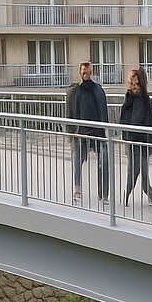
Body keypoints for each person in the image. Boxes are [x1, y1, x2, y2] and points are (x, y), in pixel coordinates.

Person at [65, 61, 111, 205]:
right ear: (80, 72)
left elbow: (104, 109)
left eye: (88, 72)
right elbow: (69, 112)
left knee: (104, 162)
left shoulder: (98, 89)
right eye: (84, 72)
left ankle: (103, 195)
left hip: (98, 133)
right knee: (77, 162)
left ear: (92, 72)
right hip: (81, 134)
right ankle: (77, 189)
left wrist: (106, 130)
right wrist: (70, 132)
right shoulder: (74, 91)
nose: (86, 74)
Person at [119, 66, 152, 206]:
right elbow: (124, 118)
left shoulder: (144, 100)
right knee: (132, 171)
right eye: (131, 83)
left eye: (136, 83)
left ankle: (150, 195)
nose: (134, 86)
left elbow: (145, 120)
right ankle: (127, 196)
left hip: (143, 141)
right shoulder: (129, 99)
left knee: (143, 173)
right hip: (132, 141)